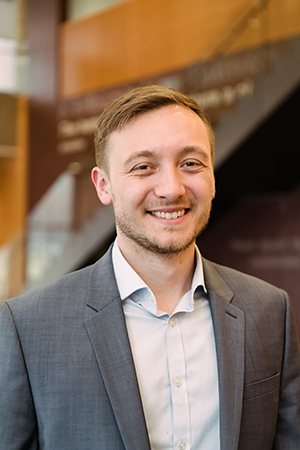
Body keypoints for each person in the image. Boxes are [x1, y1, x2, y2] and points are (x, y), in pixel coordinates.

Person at [0, 85, 300, 450]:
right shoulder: (27, 328)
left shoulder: (270, 311)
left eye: (191, 163)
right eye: (143, 167)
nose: (172, 188)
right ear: (104, 185)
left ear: (213, 177)